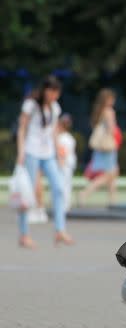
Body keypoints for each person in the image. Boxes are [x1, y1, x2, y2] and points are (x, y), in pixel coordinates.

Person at [15, 76, 73, 248]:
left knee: (58, 187)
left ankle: (60, 230)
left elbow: (53, 132)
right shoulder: (30, 105)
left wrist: (58, 154)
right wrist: (21, 152)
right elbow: (22, 128)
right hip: (31, 152)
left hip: (47, 153)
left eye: (57, 92)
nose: (54, 96)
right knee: (28, 193)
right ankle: (24, 234)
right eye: (52, 91)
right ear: (45, 90)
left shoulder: (55, 108)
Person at [79, 89, 120, 207]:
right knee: (108, 175)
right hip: (108, 147)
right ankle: (84, 193)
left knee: (111, 175)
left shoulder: (99, 111)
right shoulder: (109, 111)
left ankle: (112, 201)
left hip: (100, 148)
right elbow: (111, 129)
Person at [55, 114, 77, 211]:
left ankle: (63, 205)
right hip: (69, 164)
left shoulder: (61, 138)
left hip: (63, 165)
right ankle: (66, 204)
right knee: (67, 185)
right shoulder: (70, 138)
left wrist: (60, 163)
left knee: (62, 185)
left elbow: (62, 153)